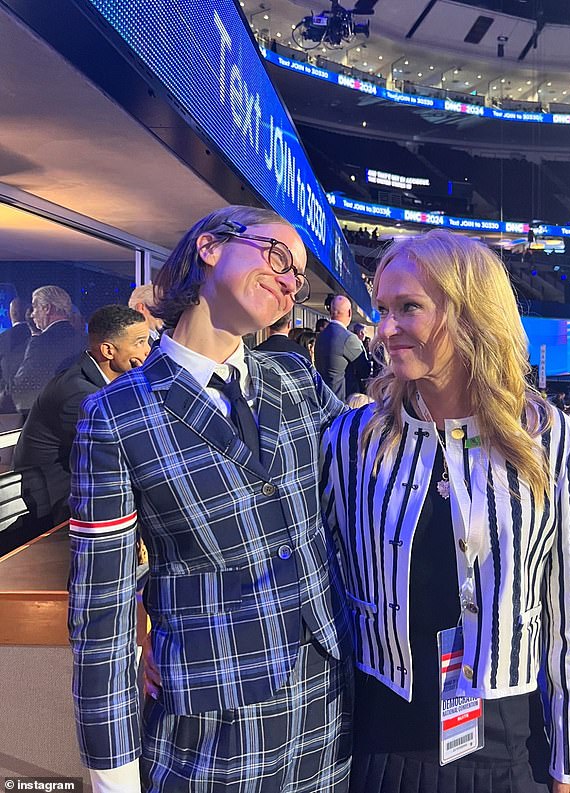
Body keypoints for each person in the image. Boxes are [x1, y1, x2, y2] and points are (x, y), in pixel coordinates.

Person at [67, 205, 352, 793]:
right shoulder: (116, 415)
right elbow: (102, 611)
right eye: (277, 255)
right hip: (210, 729)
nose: (290, 279)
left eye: (297, 273)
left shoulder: (295, 383)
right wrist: (113, 771)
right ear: (211, 248)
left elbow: (376, 466)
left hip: (326, 710)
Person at [320, 230, 570, 793]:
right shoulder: (351, 439)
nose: (385, 330)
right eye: (382, 310)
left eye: (409, 308)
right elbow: (317, 573)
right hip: (381, 747)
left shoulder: (547, 436)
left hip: (507, 752)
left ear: (470, 315)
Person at [13, 305, 149, 524]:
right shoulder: (78, 394)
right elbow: (124, 454)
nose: (147, 351)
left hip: (77, 493)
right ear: (108, 351)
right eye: (140, 342)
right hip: (52, 507)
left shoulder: (99, 381)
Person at [12, 285, 86, 414]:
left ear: (47, 308)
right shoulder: (86, 341)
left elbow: (22, 388)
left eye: (35, 307)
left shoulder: (41, 343)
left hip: (48, 420)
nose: (32, 315)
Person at [314, 295, 371, 400]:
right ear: (349, 313)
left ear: (331, 312)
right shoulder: (348, 338)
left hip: (323, 397)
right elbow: (365, 371)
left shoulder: (320, 336)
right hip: (343, 400)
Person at [0, 297, 30, 412]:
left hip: (7, 403)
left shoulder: (2, 339)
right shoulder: (40, 337)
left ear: (12, 314)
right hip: (34, 401)